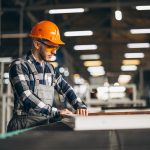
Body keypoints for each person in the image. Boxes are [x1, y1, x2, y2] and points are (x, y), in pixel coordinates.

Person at [7, 20, 88, 132]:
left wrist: (79, 105)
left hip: (44, 124)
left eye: (56, 47)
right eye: (51, 47)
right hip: (23, 125)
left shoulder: (50, 69)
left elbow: (66, 89)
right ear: (37, 44)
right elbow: (26, 96)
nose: (54, 52)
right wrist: (55, 112)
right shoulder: (19, 66)